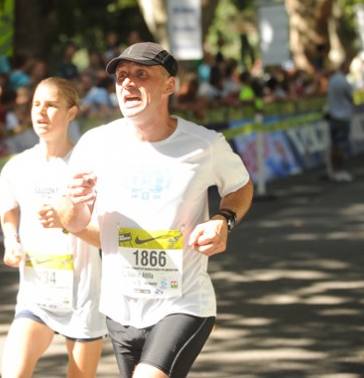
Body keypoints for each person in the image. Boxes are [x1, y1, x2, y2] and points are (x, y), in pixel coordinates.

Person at [55, 42, 254, 378]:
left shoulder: (204, 144)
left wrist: (224, 219)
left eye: (141, 74)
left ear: (169, 85)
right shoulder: (96, 143)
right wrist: (73, 203)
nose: (128, 83)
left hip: (183, 301)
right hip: (120, 307)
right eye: (121, 76)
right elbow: (73, 221)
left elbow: (240, 185)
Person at [0, 77, 106, 378]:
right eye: (36, 105)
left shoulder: (87, 170)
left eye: (52, 105)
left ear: (71, 113)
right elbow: (8, 209)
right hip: (36, 294)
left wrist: (67, 223)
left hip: (82, 296)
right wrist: (11, 239)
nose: (41, 113)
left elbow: (104, 237)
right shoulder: (18, 166)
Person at [326, 60, 355, 182]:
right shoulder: (344, 81)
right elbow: (350, 97)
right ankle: (340, 170)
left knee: (334, 145)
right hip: (343, 117)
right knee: (341, 145)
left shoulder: (332, 80)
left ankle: (334, 170)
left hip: (333, 116)